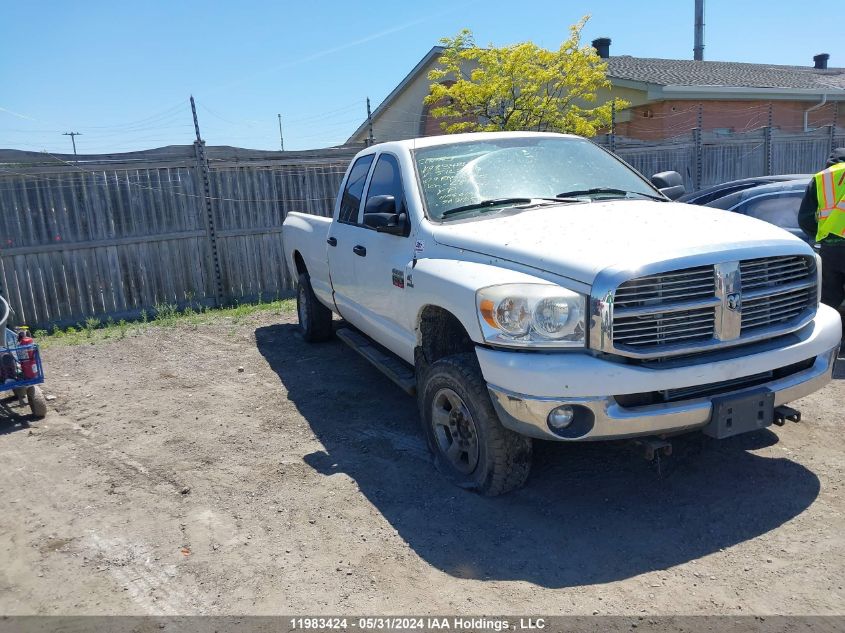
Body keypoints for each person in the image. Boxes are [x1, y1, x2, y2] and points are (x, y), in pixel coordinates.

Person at [798, 148, 845, 330]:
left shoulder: (821, 179)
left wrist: (821, 234)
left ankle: (829, 340)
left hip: (830, 250)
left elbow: (805, 219)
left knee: (828, 299)